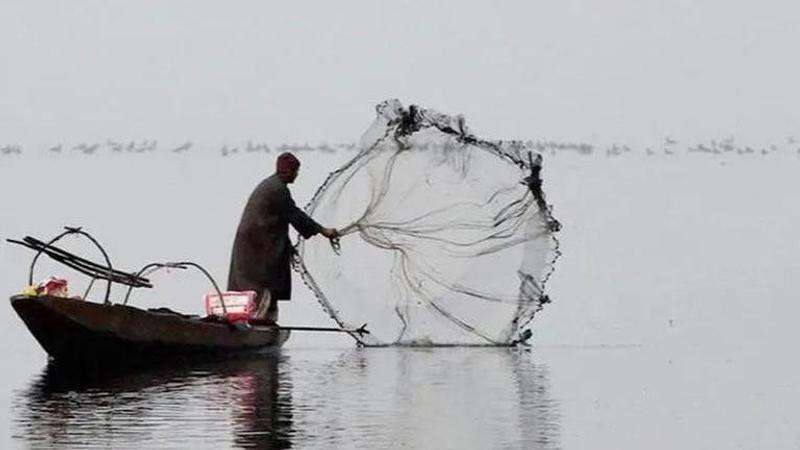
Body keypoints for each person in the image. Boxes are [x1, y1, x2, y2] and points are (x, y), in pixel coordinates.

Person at [227, 152, 338, 322]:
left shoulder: (272, 185)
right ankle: (259, 322)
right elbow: (295, 216)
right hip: (257, 246)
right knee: (263, 282)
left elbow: (277, 220)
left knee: (251, 282)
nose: (297, 175)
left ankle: (253, 320)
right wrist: (324, 231)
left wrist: (287, 246)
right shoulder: (278, 189)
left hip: (255, 243)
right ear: (289, 171)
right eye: (296, 171)